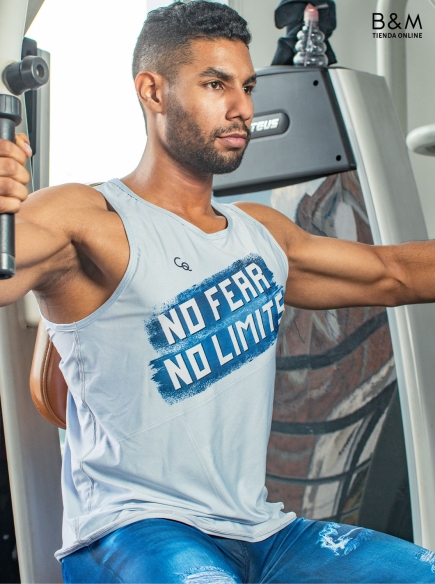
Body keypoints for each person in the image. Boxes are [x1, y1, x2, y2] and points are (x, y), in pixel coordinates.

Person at [1, 2, 435, 582]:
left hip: (262, 533)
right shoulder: (86, 218)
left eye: (247, 87)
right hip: (134, 530)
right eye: (215, 84)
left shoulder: (261, 234)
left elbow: (394, 273)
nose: (242, 108)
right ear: (152, 91)